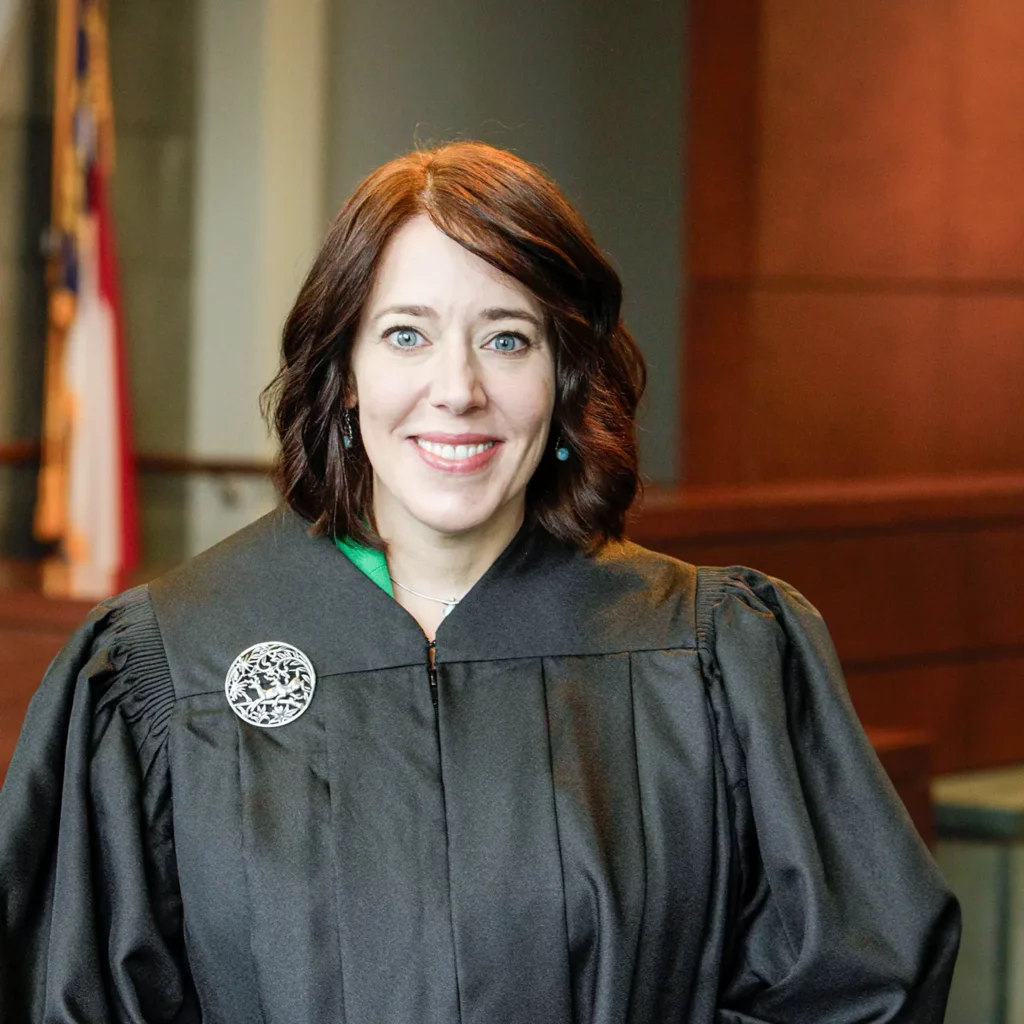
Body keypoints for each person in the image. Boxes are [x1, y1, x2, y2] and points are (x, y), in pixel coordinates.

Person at [0, 141, 959, 1022]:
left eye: (508, 339)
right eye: (406, 335)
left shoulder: (704, 654)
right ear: (343, 372)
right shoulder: (167, 666)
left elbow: (852, 989)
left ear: (568, 379)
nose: (457, 388)